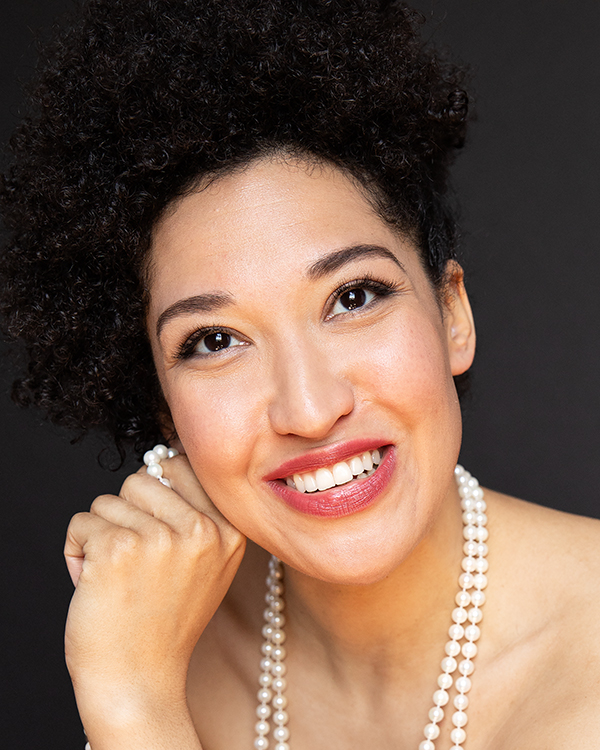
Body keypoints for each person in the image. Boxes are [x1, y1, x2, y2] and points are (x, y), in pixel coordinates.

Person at [1, 1, 599, 748]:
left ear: (452, 316)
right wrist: (131, 699)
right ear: (161, 406)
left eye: (353, 297)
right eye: (214, 340)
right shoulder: (154, 649)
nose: (311, 410)